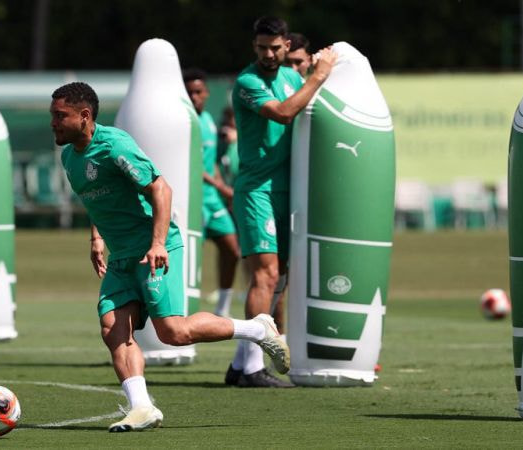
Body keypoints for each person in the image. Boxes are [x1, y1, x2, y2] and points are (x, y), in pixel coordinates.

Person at [50, 81, 289, 431]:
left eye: (60, 116)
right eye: (52, 115)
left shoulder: (115, 146)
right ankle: (142, 408)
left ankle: (256, 327)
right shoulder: (70, 156)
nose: (53, 122)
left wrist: (158, 243)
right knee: (112, 329)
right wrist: (96, 238)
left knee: (174, 333)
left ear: (84, 116)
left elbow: (161, 188)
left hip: (154, 249)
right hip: (120, 258)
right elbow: (94, 201)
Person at [227, 17, 336, 387]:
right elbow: (285, 113)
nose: (268, 54)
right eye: (261, 48)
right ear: (253, 46)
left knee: (281, 279)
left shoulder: (292, 79)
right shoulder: (248, 82)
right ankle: (253, 366)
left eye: (275, 48)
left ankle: (241, 363)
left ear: (287, 45)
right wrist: (319, 76)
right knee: (266, 274)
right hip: (257, 190)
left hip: (289, 191)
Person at [182, 68, 240, 318]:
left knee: (232, 250)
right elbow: (191, 164)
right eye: (189, 92)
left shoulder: (208, 121)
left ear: (206, 93)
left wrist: (220, 186)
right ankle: (180, 311)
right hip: (192, 200)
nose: (194, 97)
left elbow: (209, 163)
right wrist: (221, 186)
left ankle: (222, 308)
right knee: (188, 259)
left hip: (212, 199)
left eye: (198, 92)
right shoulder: (183, 121)